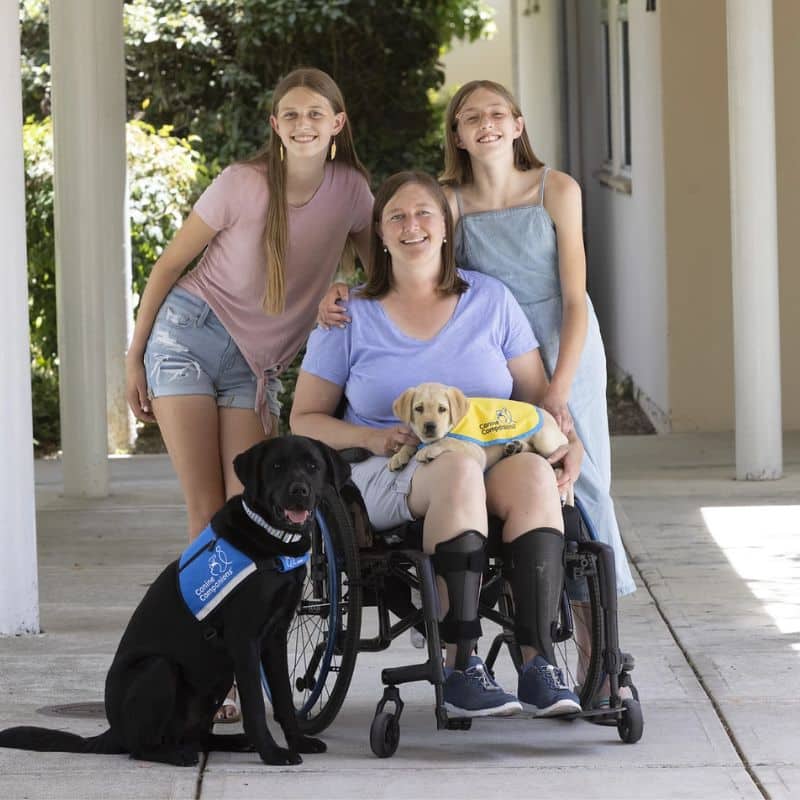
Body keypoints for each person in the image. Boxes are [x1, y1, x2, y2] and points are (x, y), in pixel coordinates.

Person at [125, 67, 373, 722]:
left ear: (338, 123)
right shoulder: (242, 183)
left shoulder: (352, 192)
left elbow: (380, 272)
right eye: (290, 114)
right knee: (209, 512)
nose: (303, 125)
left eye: (316, 114)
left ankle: (244, 661)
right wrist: (133, 357)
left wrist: (339, 291)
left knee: (252, 513)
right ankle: (212, 665)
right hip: (186, 337)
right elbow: (168, 265)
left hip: (253, 366)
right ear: (275, 124)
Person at [292, 171, 584, 718]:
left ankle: (537, 662)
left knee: (532, 476)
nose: (412, 226)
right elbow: (303, 419)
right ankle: (461, 663)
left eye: (424, 213)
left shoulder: (490, 299)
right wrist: (369, 435)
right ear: (379, 234)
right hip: (386, 468)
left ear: (447, 228)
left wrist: (571, 444)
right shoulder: (348, 313)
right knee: (456, 469)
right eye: (396, 216)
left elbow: (537, 400)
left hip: (486, 456)